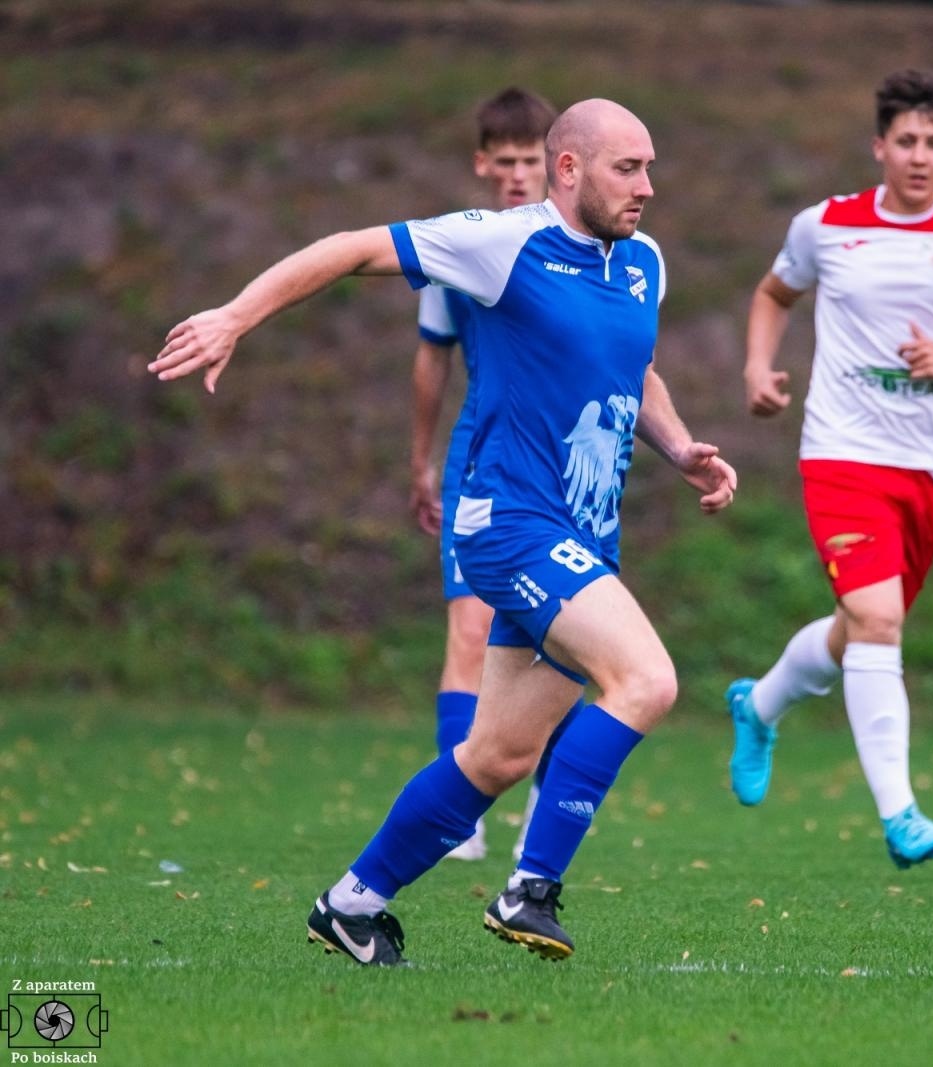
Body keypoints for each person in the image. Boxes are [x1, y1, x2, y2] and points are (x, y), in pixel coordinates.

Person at [150, 99, 737, 965]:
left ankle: (350, 904)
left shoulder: (644, 262)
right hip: (511, 525)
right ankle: (530, 887)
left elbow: (634, 367)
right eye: (629, 168)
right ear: (567, 168)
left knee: (497, 755)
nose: (648, 187)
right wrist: (237, 314)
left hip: (582, 536)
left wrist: (680, 445)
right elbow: (353, 249)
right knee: (646, 678)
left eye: (651, 167)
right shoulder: (504, 244)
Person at [723, 69, 933, 868]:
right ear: (879, 146)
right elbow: (773, 292)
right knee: (878, 622)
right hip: (841, 452)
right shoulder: (826, 226)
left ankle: (759, 706)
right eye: (905, 139)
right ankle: (901, 814)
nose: (919, 154)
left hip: (930, 466)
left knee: (857, 629)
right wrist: (757, 367)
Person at [408, 87, 565, 863]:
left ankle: (549, 795)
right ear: (481, 164)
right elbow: (433, 353)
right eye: (502, 161)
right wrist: (422, 458)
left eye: (528, 160)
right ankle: (458, 811)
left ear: (556, 164)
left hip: (565, 457)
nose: (515, 174)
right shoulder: (459, 248)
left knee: (559, 636)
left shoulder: (589, 244)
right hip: (483, 451)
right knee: (469, 627)